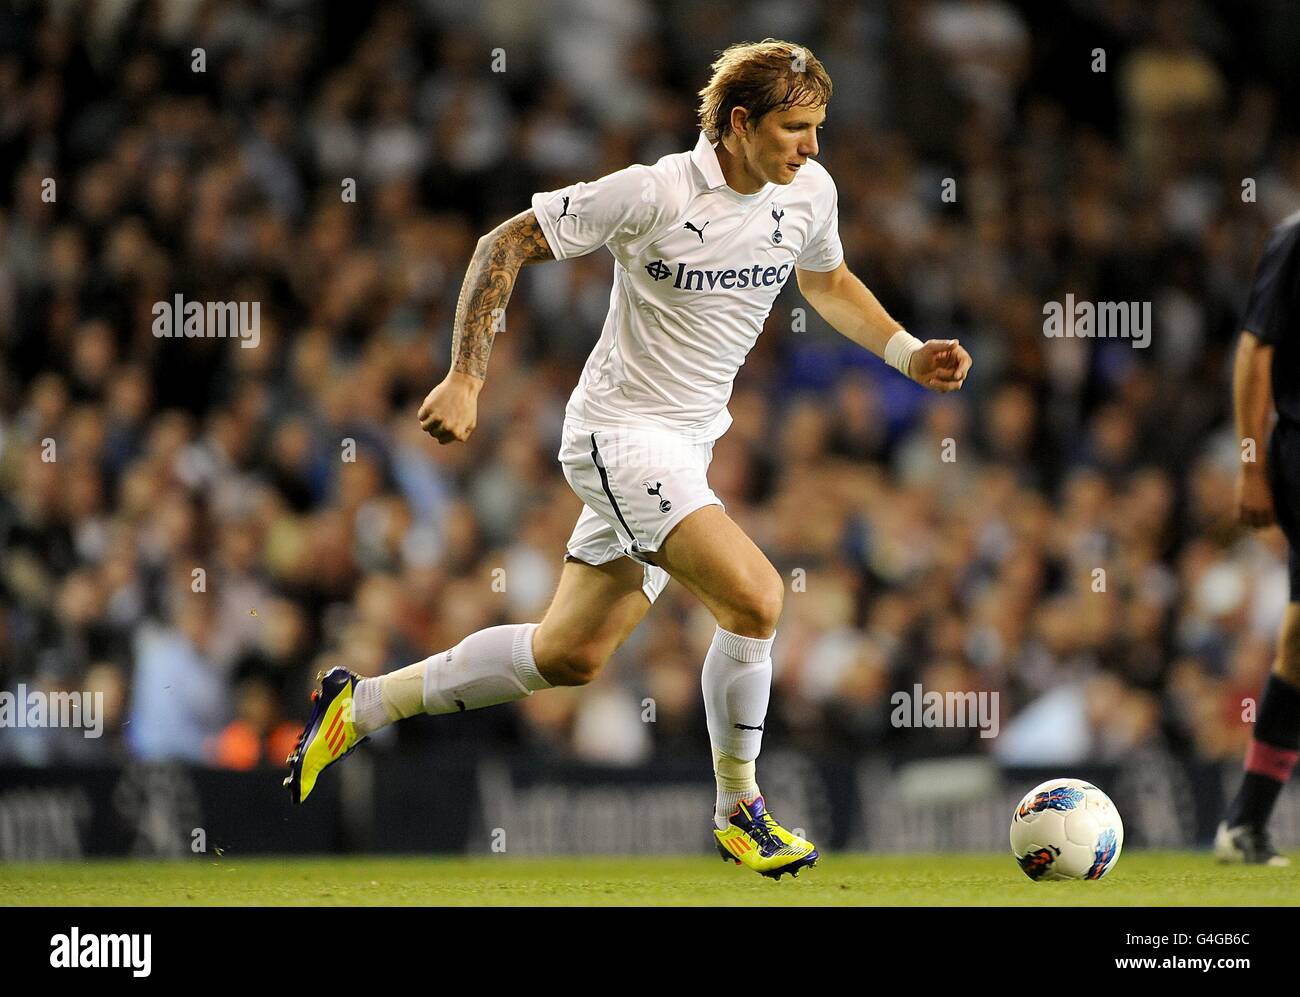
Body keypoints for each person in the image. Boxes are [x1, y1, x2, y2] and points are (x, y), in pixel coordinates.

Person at [285, 38, 972, 879]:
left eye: (819, 127)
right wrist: (467, 377)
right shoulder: (652, 192)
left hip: (686, 446)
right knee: (757, 599)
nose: (813, 147)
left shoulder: (810, 194)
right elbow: (501, 246)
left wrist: (906, 353)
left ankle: (361, 704)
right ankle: (739, 810)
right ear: (740, 121)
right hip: (617, 436)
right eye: (796, 127)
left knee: (567, 655)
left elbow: (826, 282)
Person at [1216, 209, 1300, 866]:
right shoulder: (1295, 238)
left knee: (1298, 642)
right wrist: (1249, 462)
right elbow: (1255, 349)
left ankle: (1245, 820)